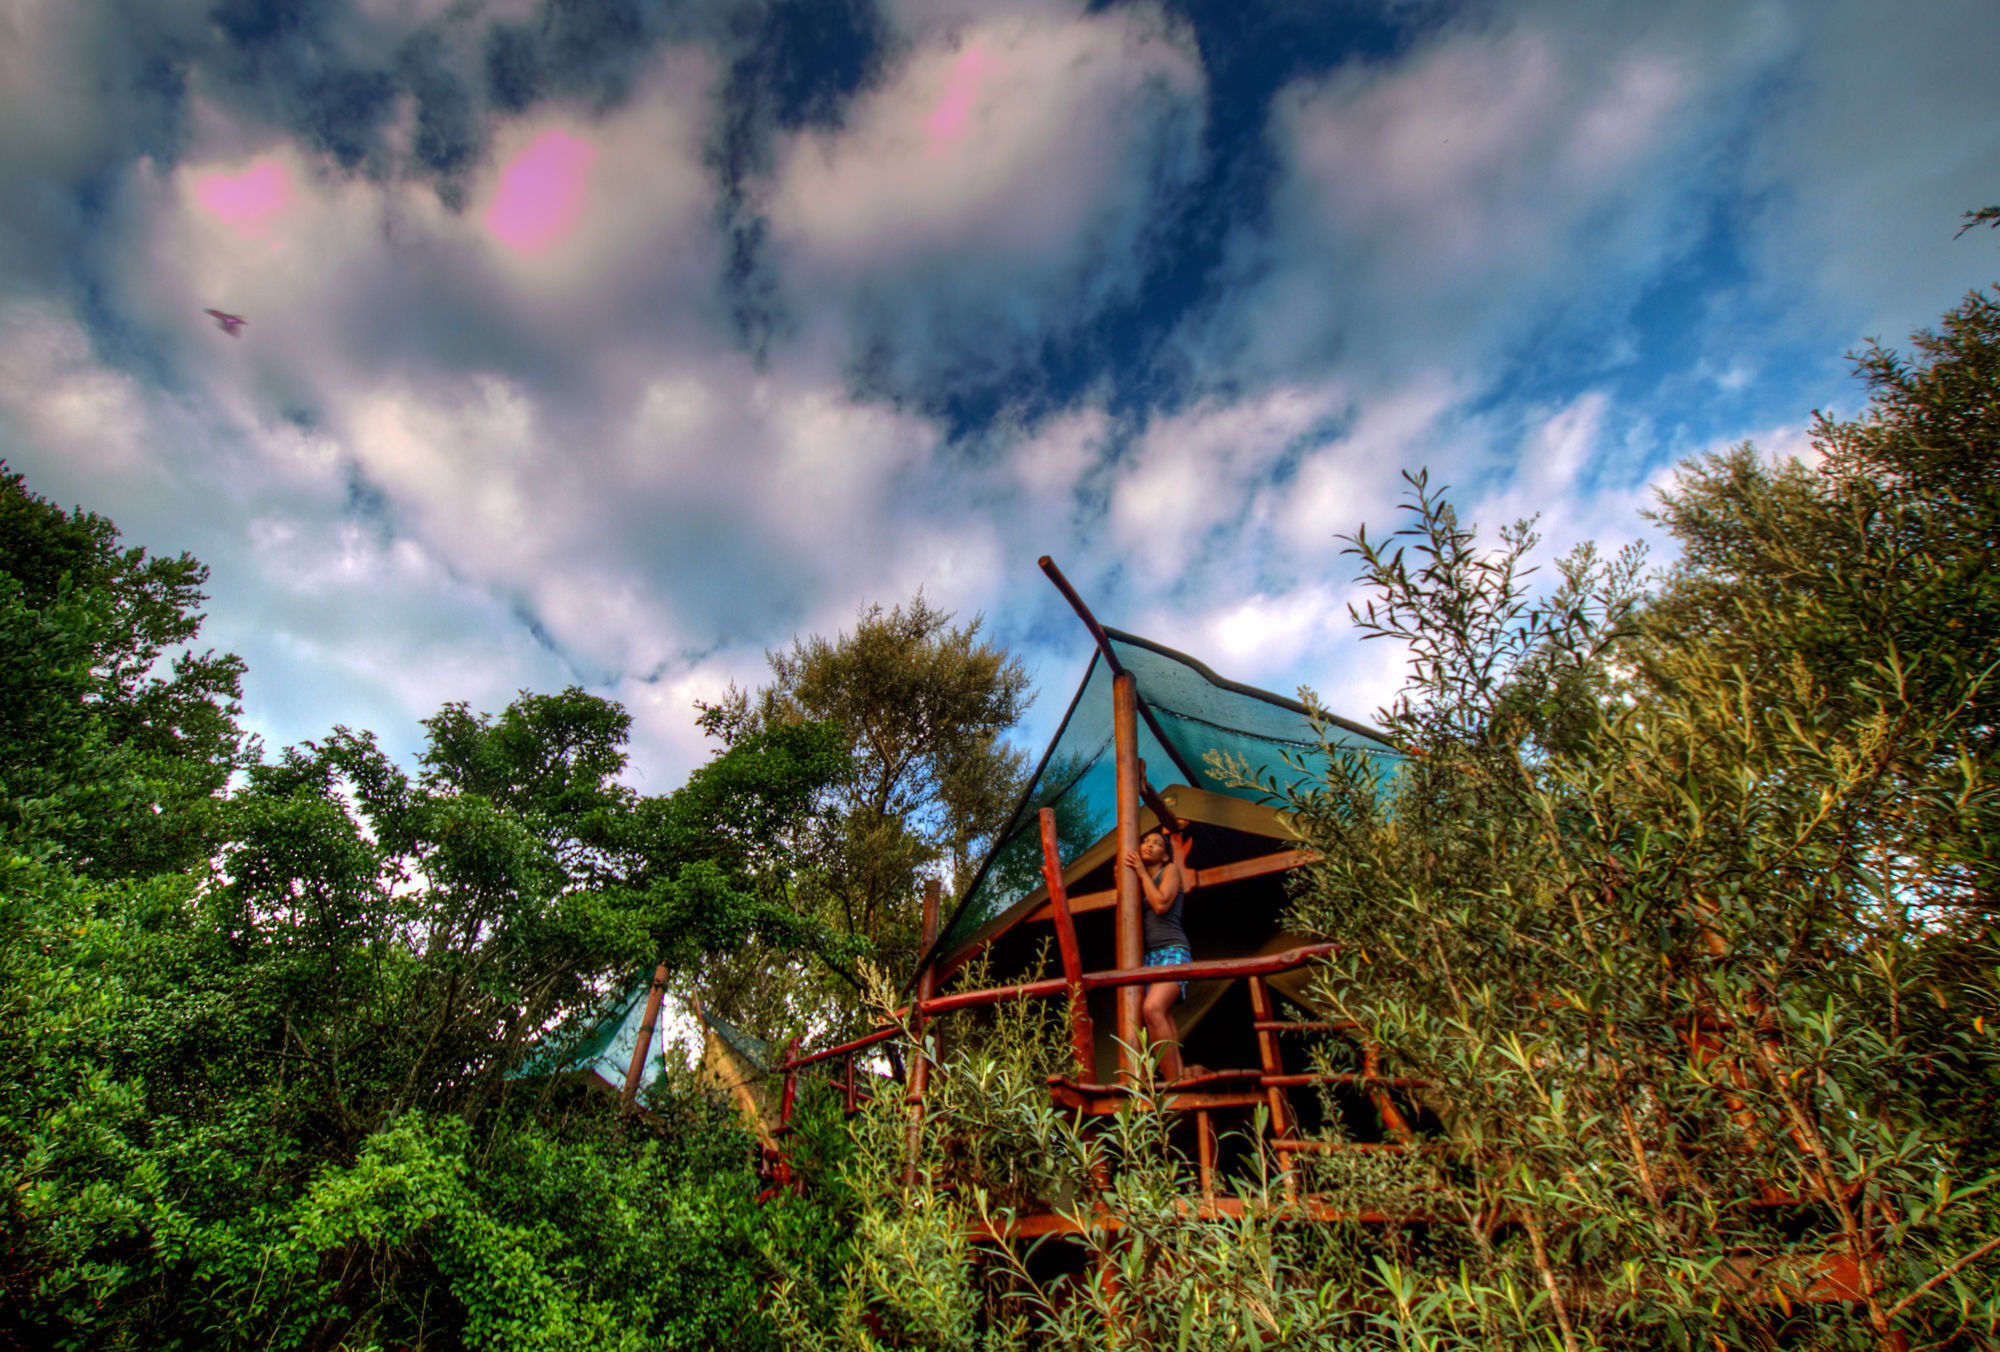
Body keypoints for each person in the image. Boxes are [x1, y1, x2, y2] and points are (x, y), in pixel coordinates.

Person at [1123, 826, 1196, 1084]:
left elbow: (1162, 904)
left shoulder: (1170, 871)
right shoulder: (1135, 880)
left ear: (1165, 855)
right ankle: (1178, 1077)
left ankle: (1172, 1082)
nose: (1149, 845)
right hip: (1149, 956)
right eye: (1145, 841)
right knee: (1162, 1015)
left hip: (1173, 950)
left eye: (1156, 843)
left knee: (1153, 1008)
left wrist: (1142, 872)